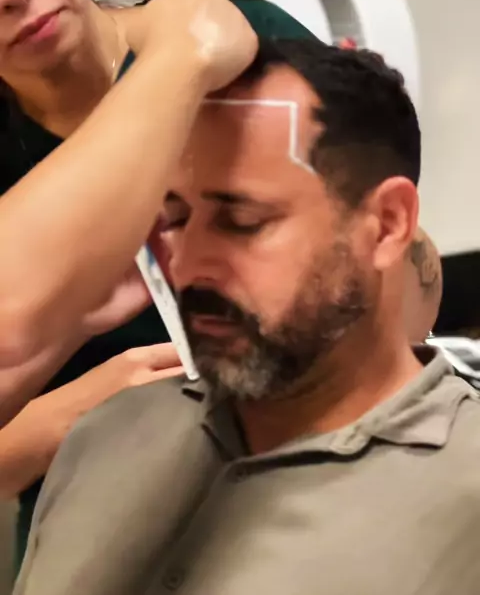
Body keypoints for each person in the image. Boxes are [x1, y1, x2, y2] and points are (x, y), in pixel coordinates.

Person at [15, 38, 480, 595]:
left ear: (385, 225)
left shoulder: (463, 495)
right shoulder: (105, 434)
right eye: (175, 219)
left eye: (242, 222)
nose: (187, 263)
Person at [0, 0, 258, 565]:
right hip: (102, 535)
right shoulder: (198, 43)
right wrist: (51, 425)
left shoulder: (251, 52)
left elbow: (403, 282)